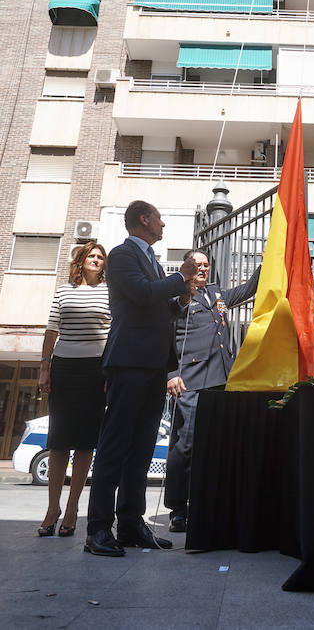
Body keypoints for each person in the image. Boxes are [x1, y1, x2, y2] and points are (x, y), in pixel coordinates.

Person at [84, 200, 197, 557]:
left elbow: (158, 306)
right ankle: (98, 530)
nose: (164, 224)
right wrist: (180, 277)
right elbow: (142, 294)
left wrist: (180, 298)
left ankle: (131, 523)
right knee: (116, 445)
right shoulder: (121, 255)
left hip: (152, 366)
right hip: (129, 362)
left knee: (142, 448)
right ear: (144, 220)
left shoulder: (151, 259)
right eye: (160, 218)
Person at [165, 250, 260, 532]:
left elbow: (247, 290)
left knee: (216, 445)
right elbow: (165, 334)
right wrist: (171, 374)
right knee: (185, 446)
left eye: (206, 264)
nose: (203, 269)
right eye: (197, 264)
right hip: (190, 381)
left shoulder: (216, 294)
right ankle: (178, 510)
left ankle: (208, 504)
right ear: (187, 266)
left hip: (221, 379)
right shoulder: (177, 296)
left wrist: (268, 261)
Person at [37, 242, 110, 537]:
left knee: (84, 442)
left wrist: (110, 371)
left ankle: (71, 509)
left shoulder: (110, 292)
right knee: (59, 441)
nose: (96, 260)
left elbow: (114, 331)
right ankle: (52, 508)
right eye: (92, 255)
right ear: (80, 261)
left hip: (96, 371)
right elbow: (51, 330)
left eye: (100, 257)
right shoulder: (64, 291)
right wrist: (44, 368)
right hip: (63, 369)